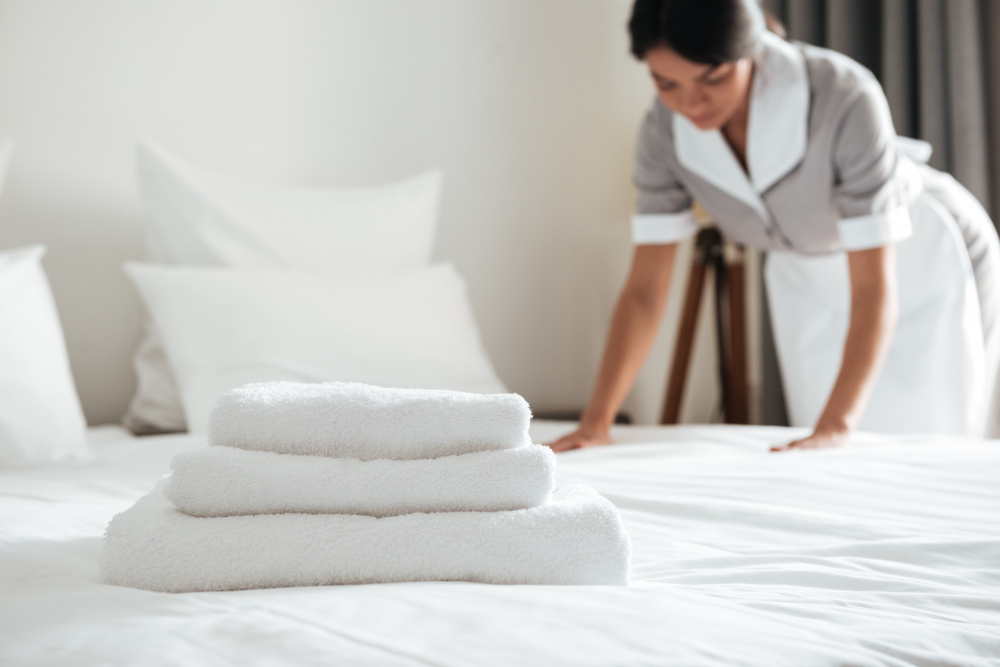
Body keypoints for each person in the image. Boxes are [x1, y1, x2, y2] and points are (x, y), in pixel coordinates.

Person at [548, 0, 1000, 453]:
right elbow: (645, 290)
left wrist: (836, 425)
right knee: (823, 447)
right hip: (804, 269)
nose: (690, 102)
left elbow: (872, 290)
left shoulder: (843, 96)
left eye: (713, 78)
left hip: (916, 257)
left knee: (928, 432)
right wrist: (596, 423)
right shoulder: (661, 134)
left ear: (753, 49)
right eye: (666, 83)